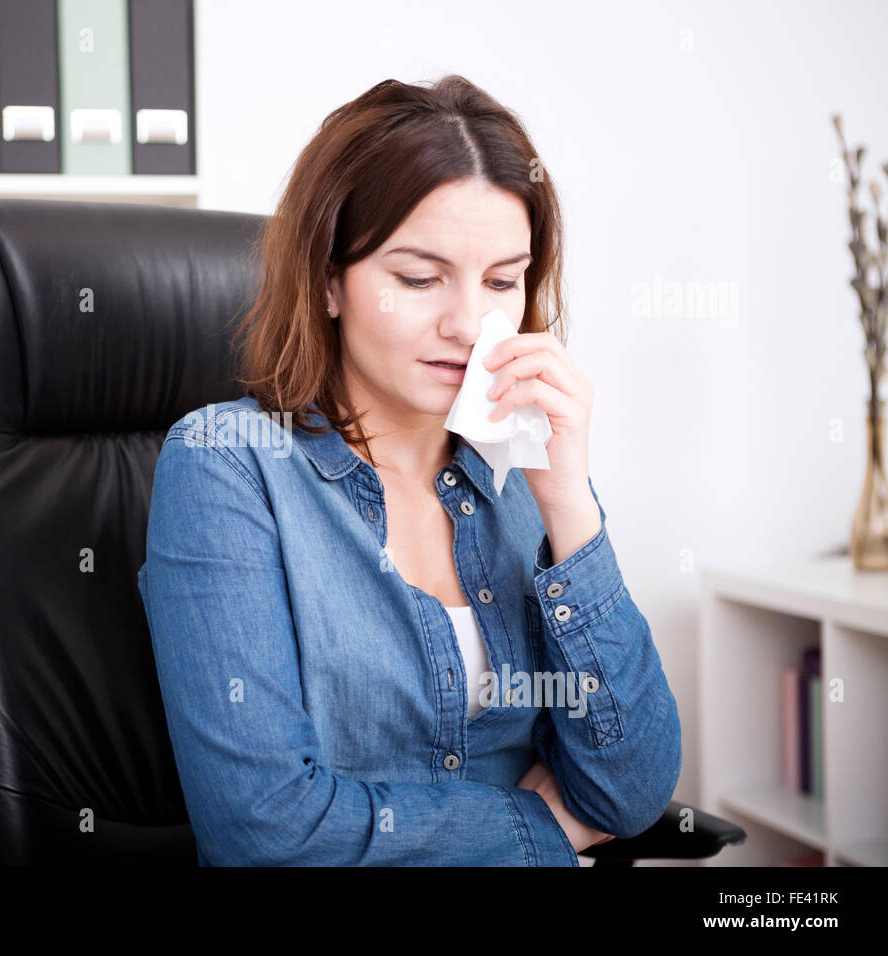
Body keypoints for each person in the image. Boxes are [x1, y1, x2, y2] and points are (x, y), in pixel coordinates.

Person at [136, 74, 681, 866]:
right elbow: (266, 834)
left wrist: (570, 507)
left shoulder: (525, 476)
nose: (469, 324)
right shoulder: (227, 467)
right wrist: (541, 831)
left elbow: (630, 793)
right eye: (419, 278)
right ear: (329, 279)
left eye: (502, 281)